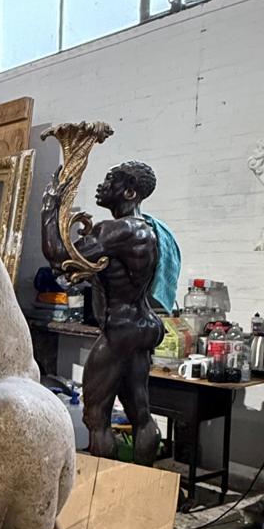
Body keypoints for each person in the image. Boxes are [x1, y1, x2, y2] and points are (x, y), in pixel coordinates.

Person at [42, 160, 165, 464]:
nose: (103, 185)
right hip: (142, 324)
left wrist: (50, 207)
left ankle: (105, 490)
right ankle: (140, 486)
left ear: (130, 191)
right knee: (140, 410)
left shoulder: (117, 230)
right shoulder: (148, 230)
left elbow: (60, 257)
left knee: (96, 415)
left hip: (119, 329)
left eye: (111, 180)